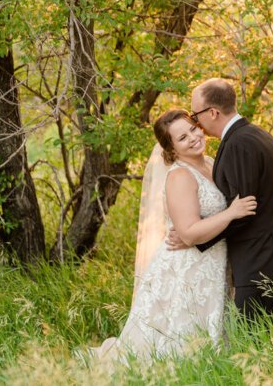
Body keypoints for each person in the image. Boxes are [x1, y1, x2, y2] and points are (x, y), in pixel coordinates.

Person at [94, 109, 256, 363]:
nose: (193, 137)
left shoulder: (212, 163)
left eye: (193, 129)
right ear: (171, 150)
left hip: (214, 262)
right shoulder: (180, 176)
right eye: (182, 138)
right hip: (188, 268)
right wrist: (231, 213)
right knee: (177, 339)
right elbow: (189, 234)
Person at [178, 78, 273, 319]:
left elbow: (244, 210)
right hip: (271, 255)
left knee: (258, 343)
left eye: (196, 116)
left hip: (260, 260)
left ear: (213, 112)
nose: (196, 122)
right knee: (271, 342)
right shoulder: (255, 134)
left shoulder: (239, 144)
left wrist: (194, 238)